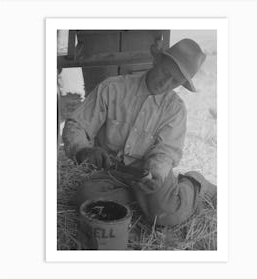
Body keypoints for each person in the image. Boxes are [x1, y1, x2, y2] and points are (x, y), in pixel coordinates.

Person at [62, 38, 216, 227]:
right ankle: (147, 203)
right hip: (111, 174)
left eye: (176, 80)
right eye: (166, 72)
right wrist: (82, 150)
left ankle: (194, 185)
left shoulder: (175, 109)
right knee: (86, 199)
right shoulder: (112, 88)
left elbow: (165, 151)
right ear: (156, 61)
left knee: (166, 216)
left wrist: (154, 175)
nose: (166, 82)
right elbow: (77, 124)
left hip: (148, 176)